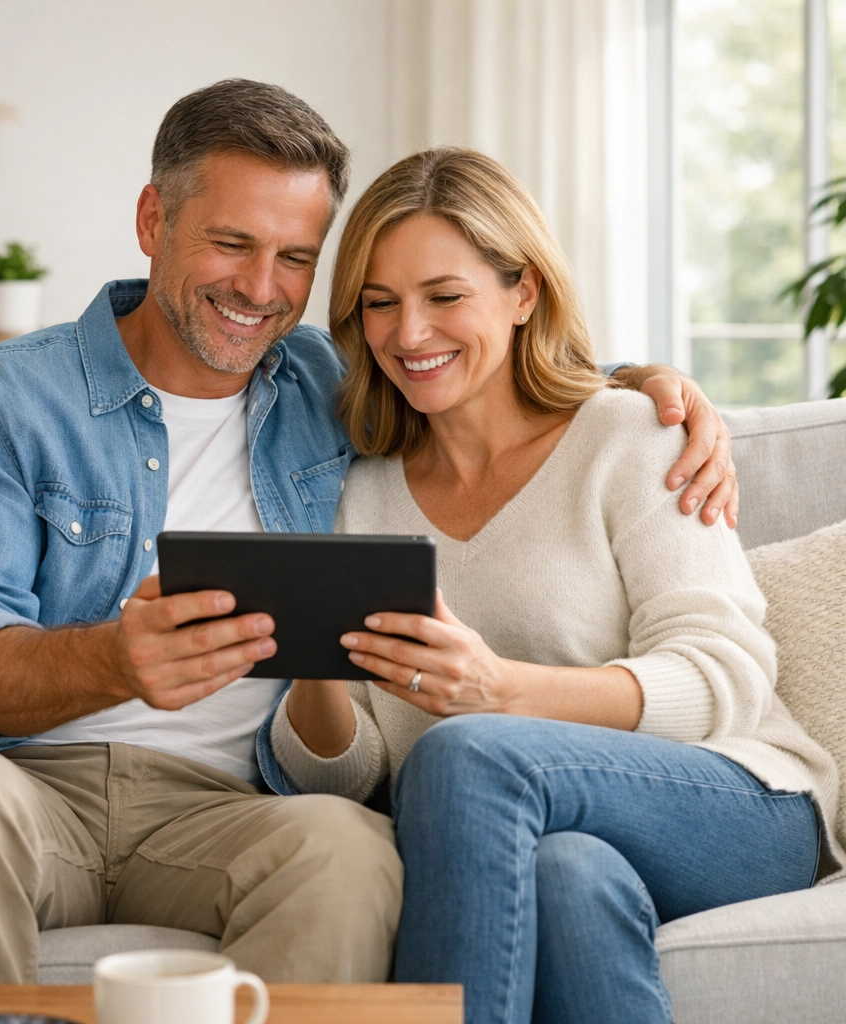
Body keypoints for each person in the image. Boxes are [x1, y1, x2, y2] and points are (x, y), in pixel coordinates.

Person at [0, 81, 734, 986]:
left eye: (296, 258)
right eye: (231, 244)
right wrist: (111, 659)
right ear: (153, 220)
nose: (261, 290)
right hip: (12, 782)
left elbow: (477, 366)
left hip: (232, 808)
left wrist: (652, 385)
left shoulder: (326, 385)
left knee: (350, 851)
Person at [266, 147, 842, 1023]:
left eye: (445, 296)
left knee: (466, 748)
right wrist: (314, 654)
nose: (408, 333)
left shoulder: (632, 438)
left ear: (523, 292)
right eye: (378, 303)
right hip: (542, 835)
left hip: (733, 800)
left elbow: (727, 678)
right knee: (566, 877)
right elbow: (353, 777)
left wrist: (500, 692)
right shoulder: (361, 493)